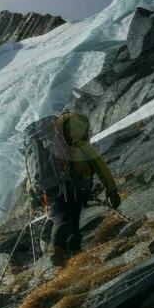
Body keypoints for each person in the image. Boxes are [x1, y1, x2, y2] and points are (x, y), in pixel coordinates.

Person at [49, 111, 121, 265]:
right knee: (74, 220)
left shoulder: (55, 144)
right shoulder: (81, 144)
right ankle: (74, 253)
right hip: (79, 188)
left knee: (64, 218)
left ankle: (59, 249)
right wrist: (112, 190)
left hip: (58, 189)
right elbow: (101, 168)